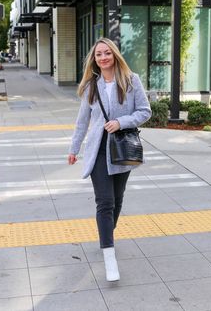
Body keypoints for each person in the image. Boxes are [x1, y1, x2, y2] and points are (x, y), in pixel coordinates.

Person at [68, 37, 151, 282]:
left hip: (122, 149)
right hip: (98, 150)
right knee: (104, 202)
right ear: (94, 60)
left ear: (114, 55)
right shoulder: (91, 86)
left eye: (107, 53)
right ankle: (109, 255)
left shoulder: (131, 80)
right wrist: (74, 148)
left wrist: (121, 122)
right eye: (98, 55)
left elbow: (145, 111)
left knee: (117, 199)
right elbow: (82, 121)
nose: (103, 57)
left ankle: (107, 236)